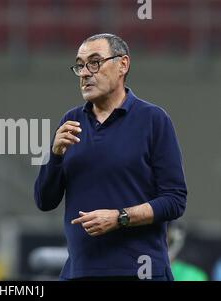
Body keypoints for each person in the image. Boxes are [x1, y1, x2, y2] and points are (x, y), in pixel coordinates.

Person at [34, 33, 187, 281]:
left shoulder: (153, 120)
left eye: (94, 62)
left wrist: (120, 217)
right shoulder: (70, 122)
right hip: (80, 272)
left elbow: (174, 200)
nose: (85, 73)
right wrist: (55, 155)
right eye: (80, 65)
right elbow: (44, 201)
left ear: (123, 65)